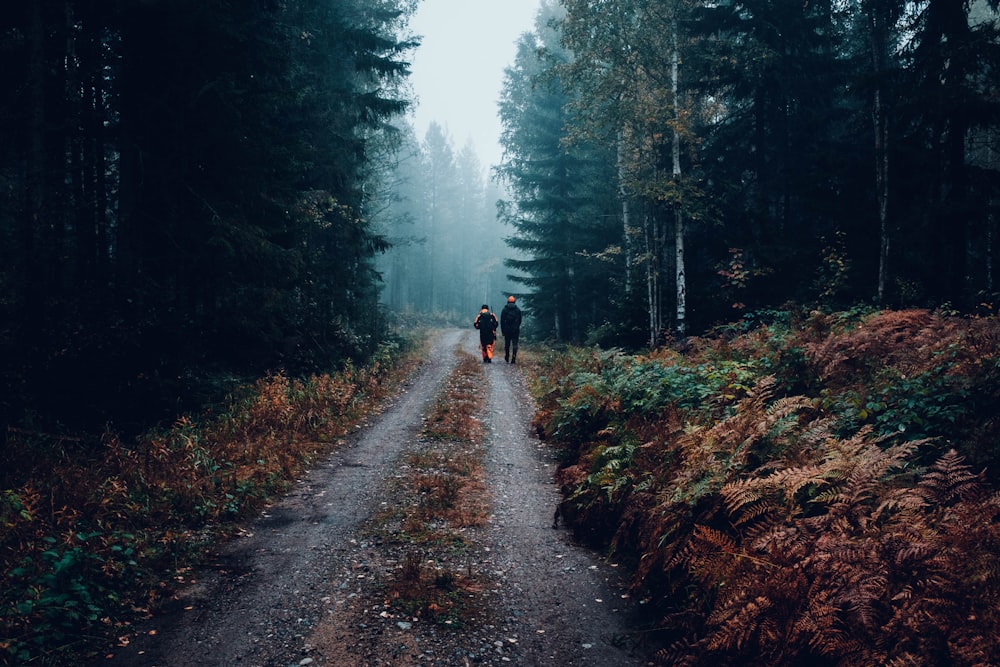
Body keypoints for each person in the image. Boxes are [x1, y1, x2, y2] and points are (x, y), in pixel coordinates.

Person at [500, 295, 522, 363]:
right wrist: (517, 327)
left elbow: (502, 321)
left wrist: (503, 331)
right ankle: (513, 358)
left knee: (507, 344)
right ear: (514, 302)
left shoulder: (504, 310)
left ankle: (507, 356)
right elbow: (520, 320)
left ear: (508, 301)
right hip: (515, 330)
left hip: (507, 330)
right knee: (515, 344)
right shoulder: (518, 310)